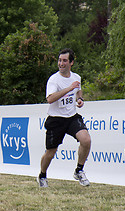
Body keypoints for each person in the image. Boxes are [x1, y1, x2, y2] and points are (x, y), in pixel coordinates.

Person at [37, 48, 91, 188]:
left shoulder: (76, 78)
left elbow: (78, 90)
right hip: (56, 119)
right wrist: (68, 89)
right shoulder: (54, 80)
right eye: (60, 60)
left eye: (65, 60)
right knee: (50, 152)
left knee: (86, 140)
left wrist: (80, 99)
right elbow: (50, 99)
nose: (61, 63)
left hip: (72, 117)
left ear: (71, 62)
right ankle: (42, 175)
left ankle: (79, 170)